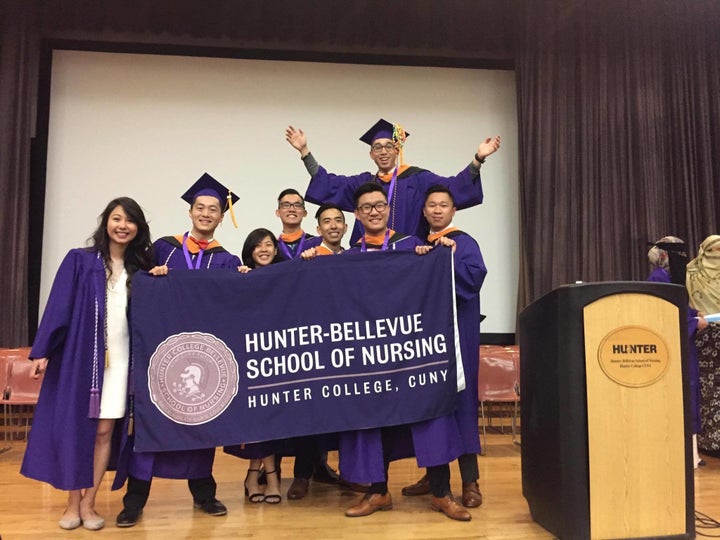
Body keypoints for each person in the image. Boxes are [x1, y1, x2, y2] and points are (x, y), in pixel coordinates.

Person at [340, 182, 471, 521]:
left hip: (412, 350)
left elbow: (436, 285)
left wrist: (434, 260)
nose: (374, 210)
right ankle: (378, 491)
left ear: (388, 209)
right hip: (369, 356)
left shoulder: (412, 245)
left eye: (379, 205)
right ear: (357, 214)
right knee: (370, 419)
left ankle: (441, 493)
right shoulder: (349, 258)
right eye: (366, 206)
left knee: (432, 412)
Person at [115, 173, 240, 528]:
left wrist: (245, 280)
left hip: (202, 356)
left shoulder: (227, 260)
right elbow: (133, 281)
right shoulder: (163, 249)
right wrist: (151, 276)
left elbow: (234, 307)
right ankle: (135, 500)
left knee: (201, 425)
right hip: (160, 356)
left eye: (213, 209)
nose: (205, 214)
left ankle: (204, 493)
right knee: (150, 427)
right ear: (190, 212)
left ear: (220, 217)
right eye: (199, 207)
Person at [21, 197, 154, 531]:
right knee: (77, 430)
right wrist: (43, 351)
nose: (123, 225)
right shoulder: (80, 261)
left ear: (138, 228)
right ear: (106, 222)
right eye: (117, 218)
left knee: (105, 431)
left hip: (121, 362)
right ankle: (71, 503)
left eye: (130, 220)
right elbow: (58, 306)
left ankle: (89, 503)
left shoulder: (140, 269)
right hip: (81, 358)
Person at [401, 185, 487, 508]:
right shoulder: (418, 247)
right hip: (428, 341)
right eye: (431, 205)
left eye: (443, 205)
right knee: (431, 407)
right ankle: (433, 476)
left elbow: (473, 278)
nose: (437, 210)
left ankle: (470, 481)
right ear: (423, 212)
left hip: (459, 337)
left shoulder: (463, 243)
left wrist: (444, 260)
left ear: (454, 211)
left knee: (462, 405)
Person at [285, 119, 501, 243]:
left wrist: (478, 159)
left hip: (408, 256)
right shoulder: (364, 184)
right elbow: (330, 184)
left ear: (397, 150)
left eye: (389, 146)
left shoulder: (418, 179)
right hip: (368, 256)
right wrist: (305, 152)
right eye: (377, 147)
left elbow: (452, 189)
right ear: (371, 154)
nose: (384, 151)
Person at [224, 227, 283, 504]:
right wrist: (239, 282)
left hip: (277, 357)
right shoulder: (240, 276)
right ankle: (270, 477)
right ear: (250, 250)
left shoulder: (286, 276)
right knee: (256, 421)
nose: (264, 249)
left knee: (271, 420)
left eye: (269, 244)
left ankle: (254, 475)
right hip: (248, 358)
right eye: (258, 245)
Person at [647, 236, 707, 467]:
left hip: (686, 345)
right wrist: (692, 323)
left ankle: (692, 454)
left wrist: (694, 313)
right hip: (674, 345)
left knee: (690, 395)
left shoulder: (672, 278)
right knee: (681, 395)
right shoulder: (659, 279)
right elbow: (663, 314)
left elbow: (680, 308)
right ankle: (683, 456)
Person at [687, 235, 720, 455]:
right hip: (704, 335)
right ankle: (710, 442)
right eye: (713, 250)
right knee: (709, 391)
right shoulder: (692, 274)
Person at [274, 188, 322, 261]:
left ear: (304, 213)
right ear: (278, 212)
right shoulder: (273, 247)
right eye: (286, 205)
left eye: (297, 205)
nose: (292, 209)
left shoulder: (318, 243)